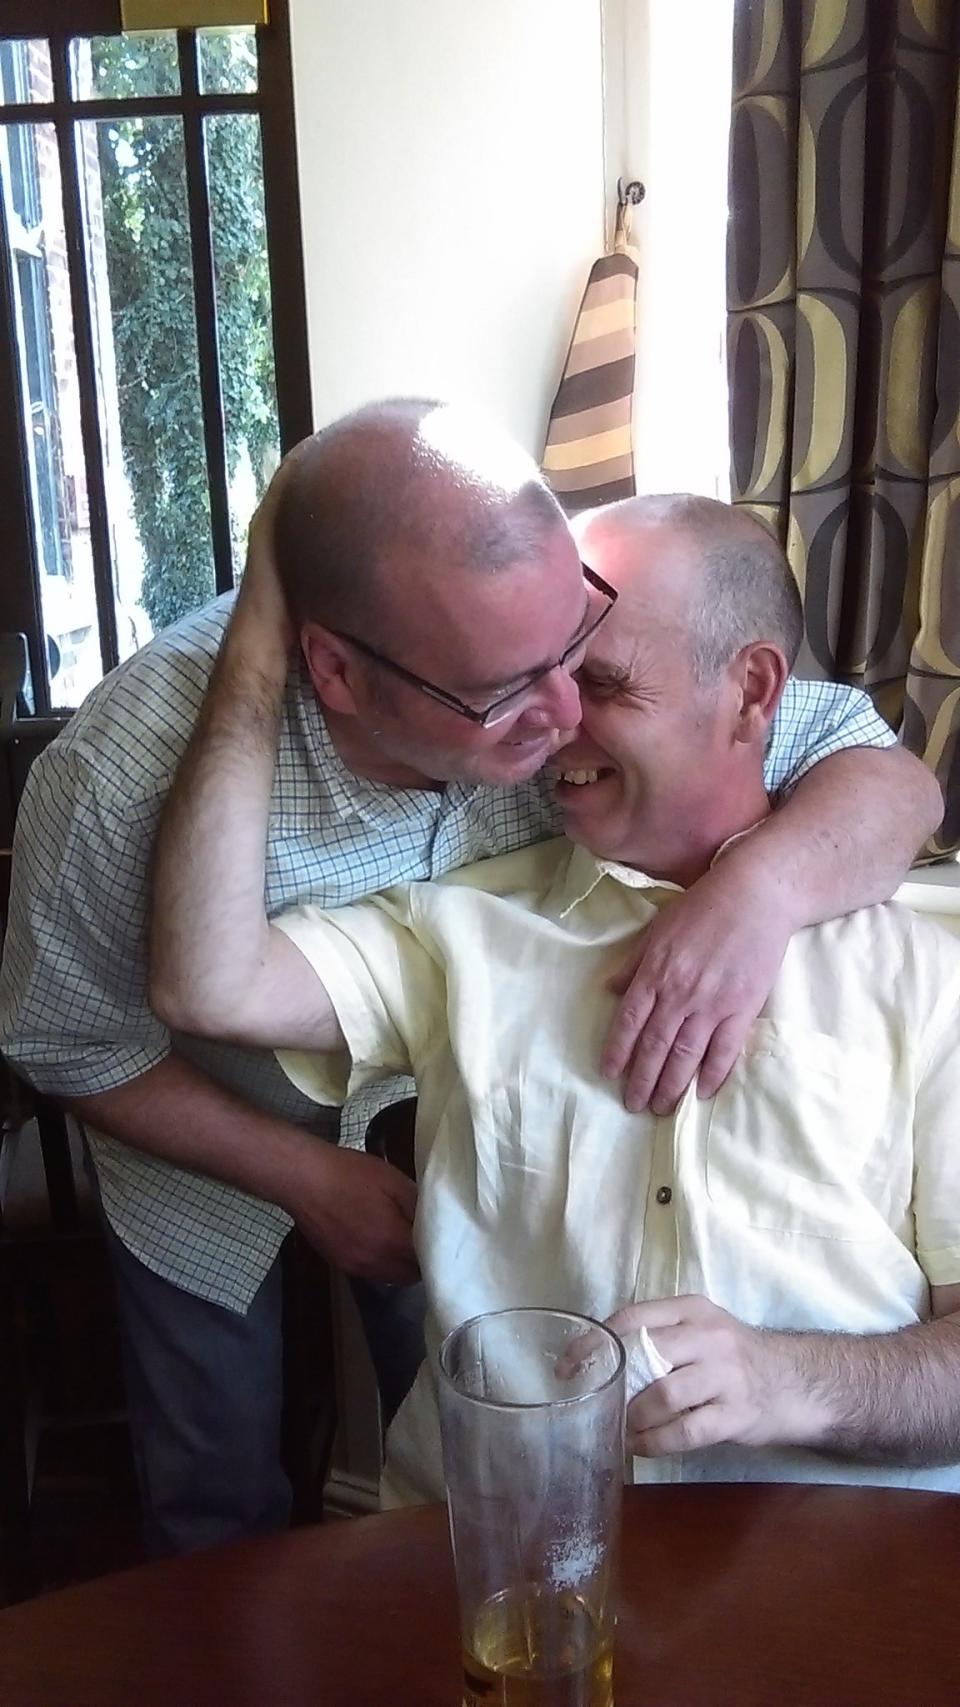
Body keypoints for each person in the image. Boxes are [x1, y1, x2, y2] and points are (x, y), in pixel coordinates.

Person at [0, 399, 940, 1553]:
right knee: (216, 1484)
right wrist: (308, 1176)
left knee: (466, 1417)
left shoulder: (548, 667)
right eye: (507, 689)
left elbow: (881, 770)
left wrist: (759, 892)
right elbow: (73, 1041)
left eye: (578, 656)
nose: (557, 720)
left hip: (439, 1128)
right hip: (204, 1130)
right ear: (336, 671)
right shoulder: (120, 778)